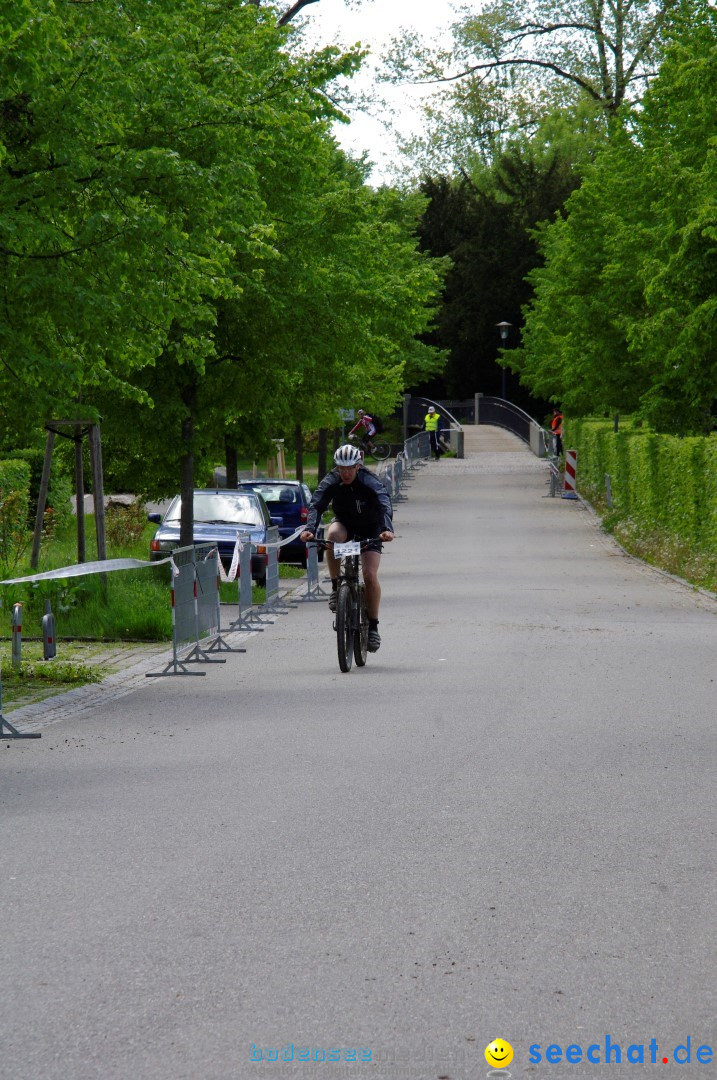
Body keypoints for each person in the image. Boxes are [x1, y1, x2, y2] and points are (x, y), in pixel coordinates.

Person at [300, 443, 394, 652]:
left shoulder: (369, 480)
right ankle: (335, 587)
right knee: (331, 536)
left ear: (357, 466)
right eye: (341, 469)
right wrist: (309, 529)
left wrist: (387, 529)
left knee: (369, 574)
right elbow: (316, 504)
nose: (345, 473)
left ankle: (373, 628)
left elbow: (383, 502)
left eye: (349, 468)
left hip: (371, 527)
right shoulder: (332, 480)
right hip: (345, 524)